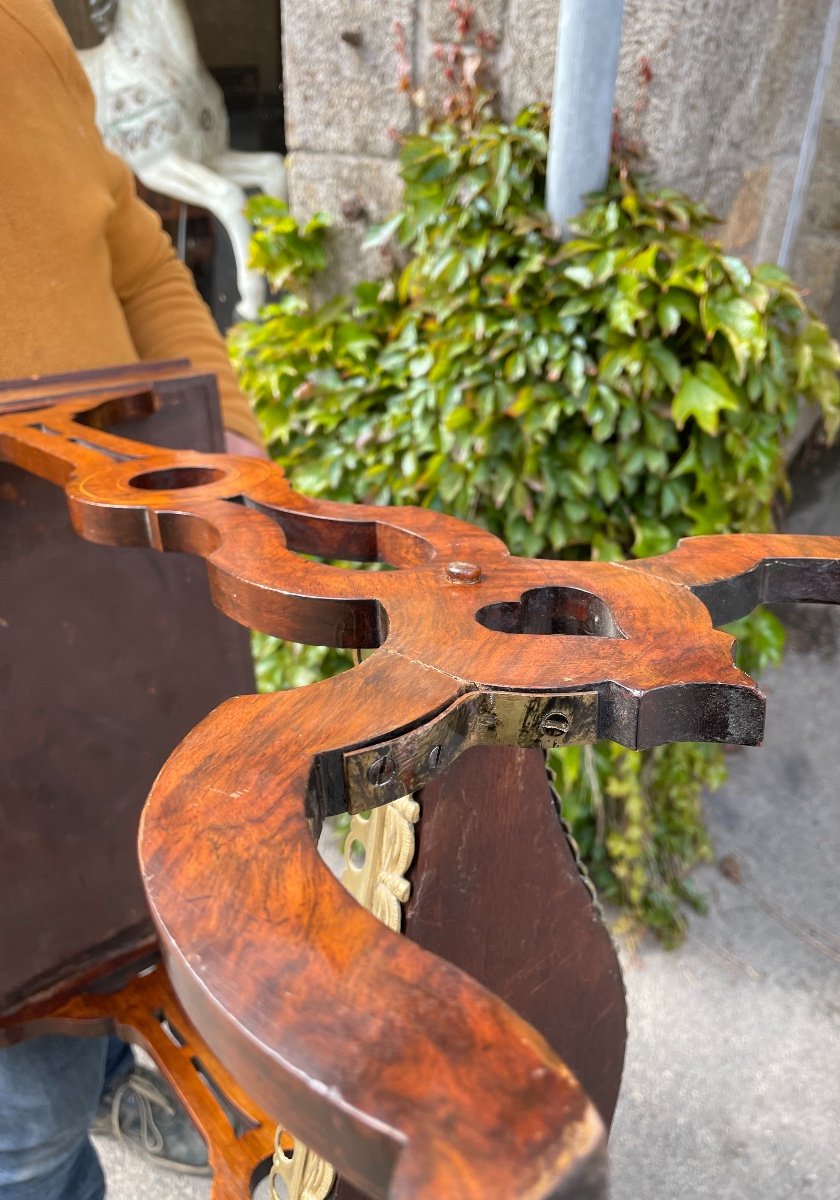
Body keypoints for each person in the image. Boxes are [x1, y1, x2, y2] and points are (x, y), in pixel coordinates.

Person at [0, 1, 265, 1196]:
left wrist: (231, 466)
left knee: (139, 912)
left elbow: (133, 252)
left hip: (113, 630)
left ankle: (112, 1069)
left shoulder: (23, 33)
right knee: (23, 1131)